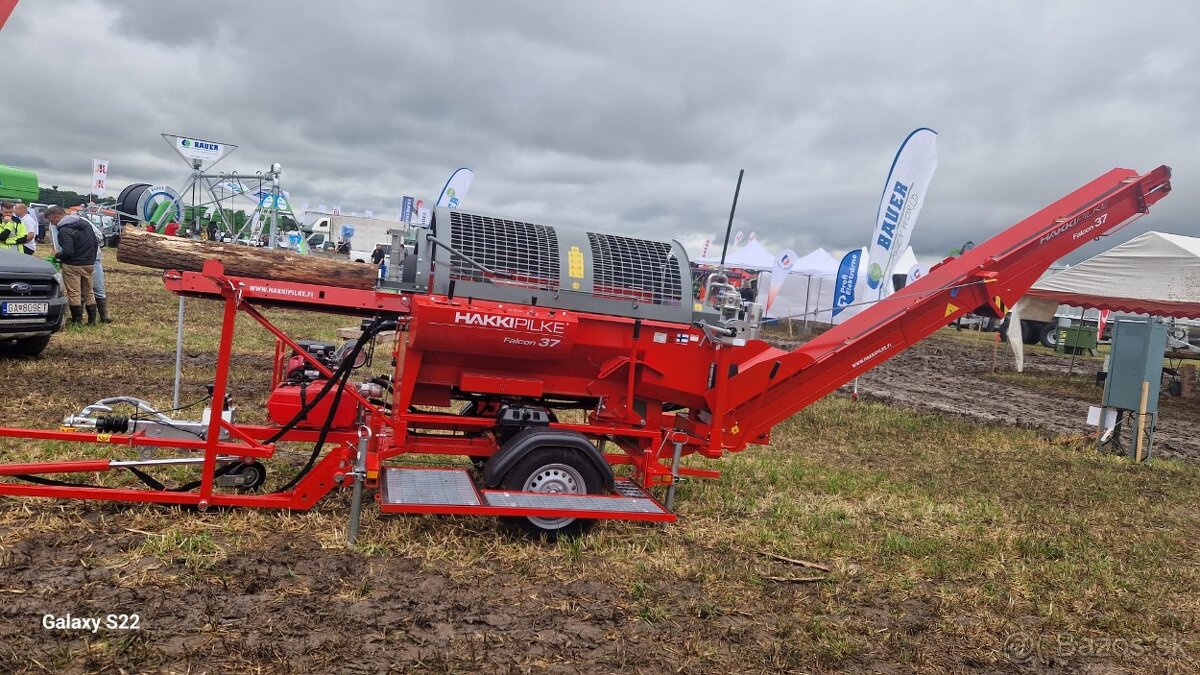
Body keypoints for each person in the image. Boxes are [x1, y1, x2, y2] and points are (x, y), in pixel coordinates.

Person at [45, 206, 99, 325]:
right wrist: (91, 260)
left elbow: (68, 252)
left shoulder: (64, 231)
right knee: (89, 292)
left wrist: (57, 254)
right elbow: (95, 243)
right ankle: (92, 321)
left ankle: (77, 321)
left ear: (57, 217)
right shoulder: (85, 224)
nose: (52, 224)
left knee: (74, 293)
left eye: (52, 221)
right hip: (88, 264)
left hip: (72, 265)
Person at [86, 216, 113, 323]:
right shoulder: (54, 226)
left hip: (94, 258)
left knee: (98, 287)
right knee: (80, 289)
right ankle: (79, 318)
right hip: (77, 261)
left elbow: (99, 236)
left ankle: (104, 315)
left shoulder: (84, 222)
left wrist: (84, 247)